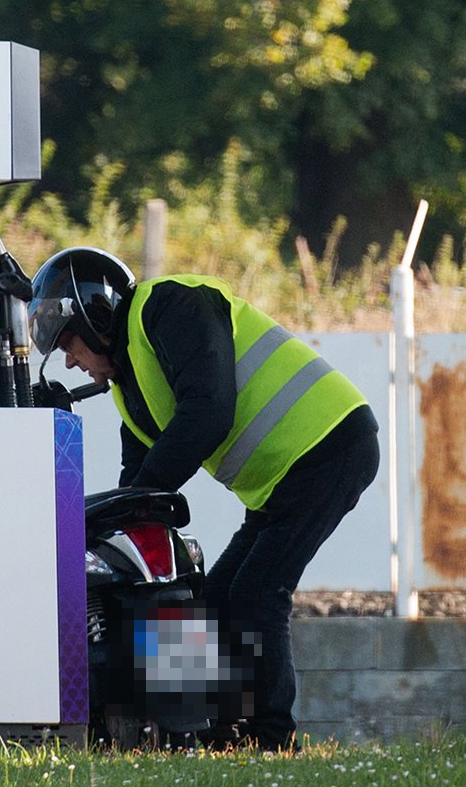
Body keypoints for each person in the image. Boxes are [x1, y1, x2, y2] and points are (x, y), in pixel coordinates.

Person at [27, 247, 380, 753]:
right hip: (283, 478)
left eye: (69, 343)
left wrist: (141, 497)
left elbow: (208, 410)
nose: (68, 360)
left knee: (259, 595)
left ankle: (272, 741)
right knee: (217, 598)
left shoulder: (170, 307)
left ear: (97, 317)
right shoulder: (131, 389)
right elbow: (141, 487)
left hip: (331, 443)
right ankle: (223, 732)